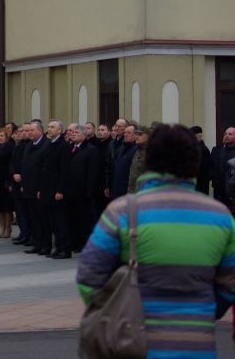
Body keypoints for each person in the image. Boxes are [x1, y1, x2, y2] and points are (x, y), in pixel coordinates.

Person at [77, 124, 235, 359]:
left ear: (149, 160)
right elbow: (229, 283)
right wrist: (204, 310)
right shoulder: (221, 217)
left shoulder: (122, 211)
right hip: (195, 345)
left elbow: (89, 275)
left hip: (132, 342)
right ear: (195, 161)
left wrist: (113, 309)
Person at [38, 120, 71, 258]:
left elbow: (64, 170)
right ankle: (57, 247)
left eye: (52, 127)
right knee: (52, 221)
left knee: (60, 221)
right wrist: (41, 189)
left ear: (59, 130)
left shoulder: (63, 145)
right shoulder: (50, 144)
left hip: (57, 189)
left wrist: (60, 190)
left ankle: (65, 249)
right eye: (49, 127)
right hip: (48, 189)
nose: (49, 129)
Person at [64, 125, 99, 253]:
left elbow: (92, 173)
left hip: (83, 192)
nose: (73, 134)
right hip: (70, 191)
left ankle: (84, 243)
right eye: (72, 132)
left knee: (84, 220)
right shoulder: (70, 148)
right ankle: (74, 242)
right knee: (72, 219)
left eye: (77, 132)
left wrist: (89, 192)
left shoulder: (90, 150)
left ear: (84, 135)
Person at [21, 121, 49, 254]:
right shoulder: (29, 145)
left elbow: (45, 169)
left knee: (43, 219)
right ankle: (37, 244)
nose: (29, 133)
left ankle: (45, 245)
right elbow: (25, 166)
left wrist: (41, 188)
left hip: (39, 189)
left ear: (40, 131)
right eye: (29, 130)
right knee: (33, 218)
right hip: (28, 188)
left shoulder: (46, 145)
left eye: (32, 130)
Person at [110, 123, 137, 199]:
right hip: (117, 188)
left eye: (128, 133)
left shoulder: (136, 149)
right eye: (125, 132)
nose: (125, 135)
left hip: (128, 189)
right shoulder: (122, 147)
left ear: (135, 135)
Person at [212, 126, 235, 211]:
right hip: (219, 194)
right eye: (225, 134)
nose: (226, 136)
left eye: (230, 134)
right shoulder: (217, 151)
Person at [127, 124, 150, 193]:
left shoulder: (150, 152)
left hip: (143, 192)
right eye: (136, 134)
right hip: (132, 191)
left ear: (148, 136)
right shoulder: (137, 150)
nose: (136, 137)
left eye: (140, 134)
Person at [190, 125, 211, 195]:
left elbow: (203, 171)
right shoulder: (196, 148)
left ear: (199, 136)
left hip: (200, 186)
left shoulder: (203, 150)